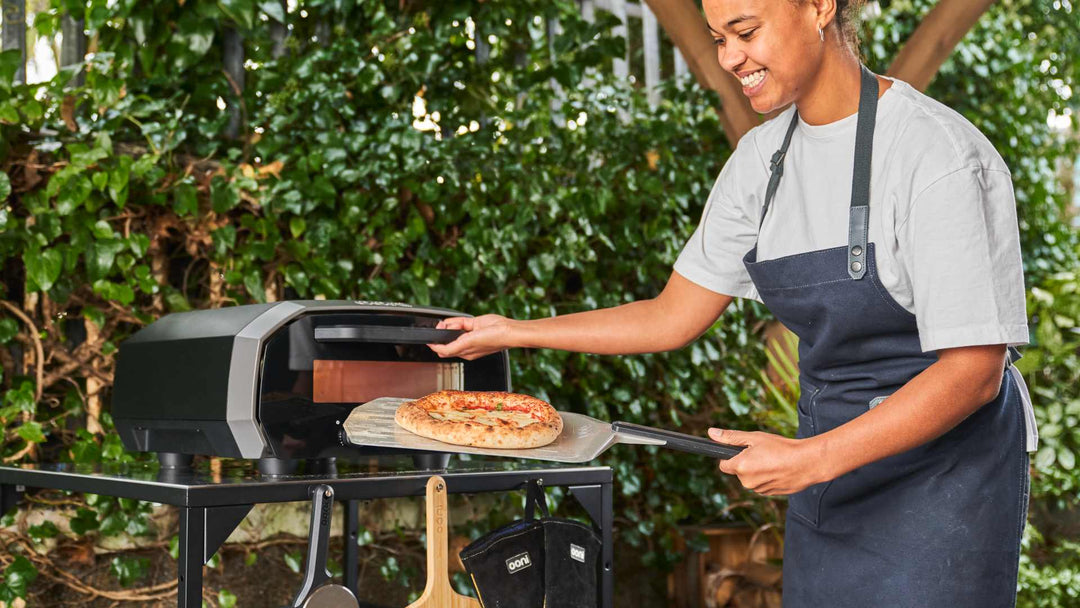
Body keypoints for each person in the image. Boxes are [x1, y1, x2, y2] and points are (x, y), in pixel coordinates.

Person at [429, 0, 1038, 605]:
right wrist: (512, 330)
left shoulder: (937, 155)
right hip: (829, 477)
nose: (729, 58)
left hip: (946, 486)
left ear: (821, 8)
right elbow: (671, 316)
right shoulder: (760, 164)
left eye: (745, 32)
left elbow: (974, 372)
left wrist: (816, 458)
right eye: (719, 38)